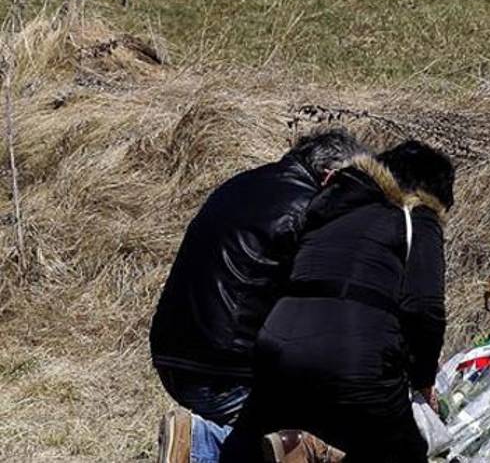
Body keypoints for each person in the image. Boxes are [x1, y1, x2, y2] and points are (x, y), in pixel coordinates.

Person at [220, 140, 455, 463]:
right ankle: (310, 454)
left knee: (249, 448)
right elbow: (423, 308)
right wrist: (423, 380)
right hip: (354, 358)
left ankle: (194, 442)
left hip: (276, 345)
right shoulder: (418, 217)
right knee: (402, 452)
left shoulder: (332, 210)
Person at [151, 129, 367, 463]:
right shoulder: (314, 214)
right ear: (331, 177)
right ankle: (201, 447)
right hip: (224, 373)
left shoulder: (243, 184)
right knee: (329, 441)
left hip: (174, 356)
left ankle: (197, 443)